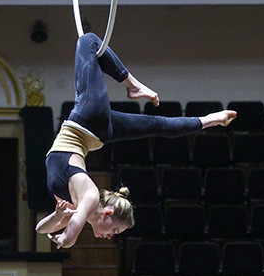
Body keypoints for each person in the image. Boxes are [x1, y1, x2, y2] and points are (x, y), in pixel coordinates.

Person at [35, 33, 237, 249]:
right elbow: (71, 235)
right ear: (108, 213)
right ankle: (134, 85)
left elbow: (40, 228)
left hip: (95, 133)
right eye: (115, 230)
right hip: (87, 121)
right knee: (89, 42)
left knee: (158, 125)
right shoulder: (90, 196)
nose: (111, 236)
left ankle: (211, 119)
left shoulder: (75, 208)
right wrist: (64, 239)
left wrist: (57, 217)